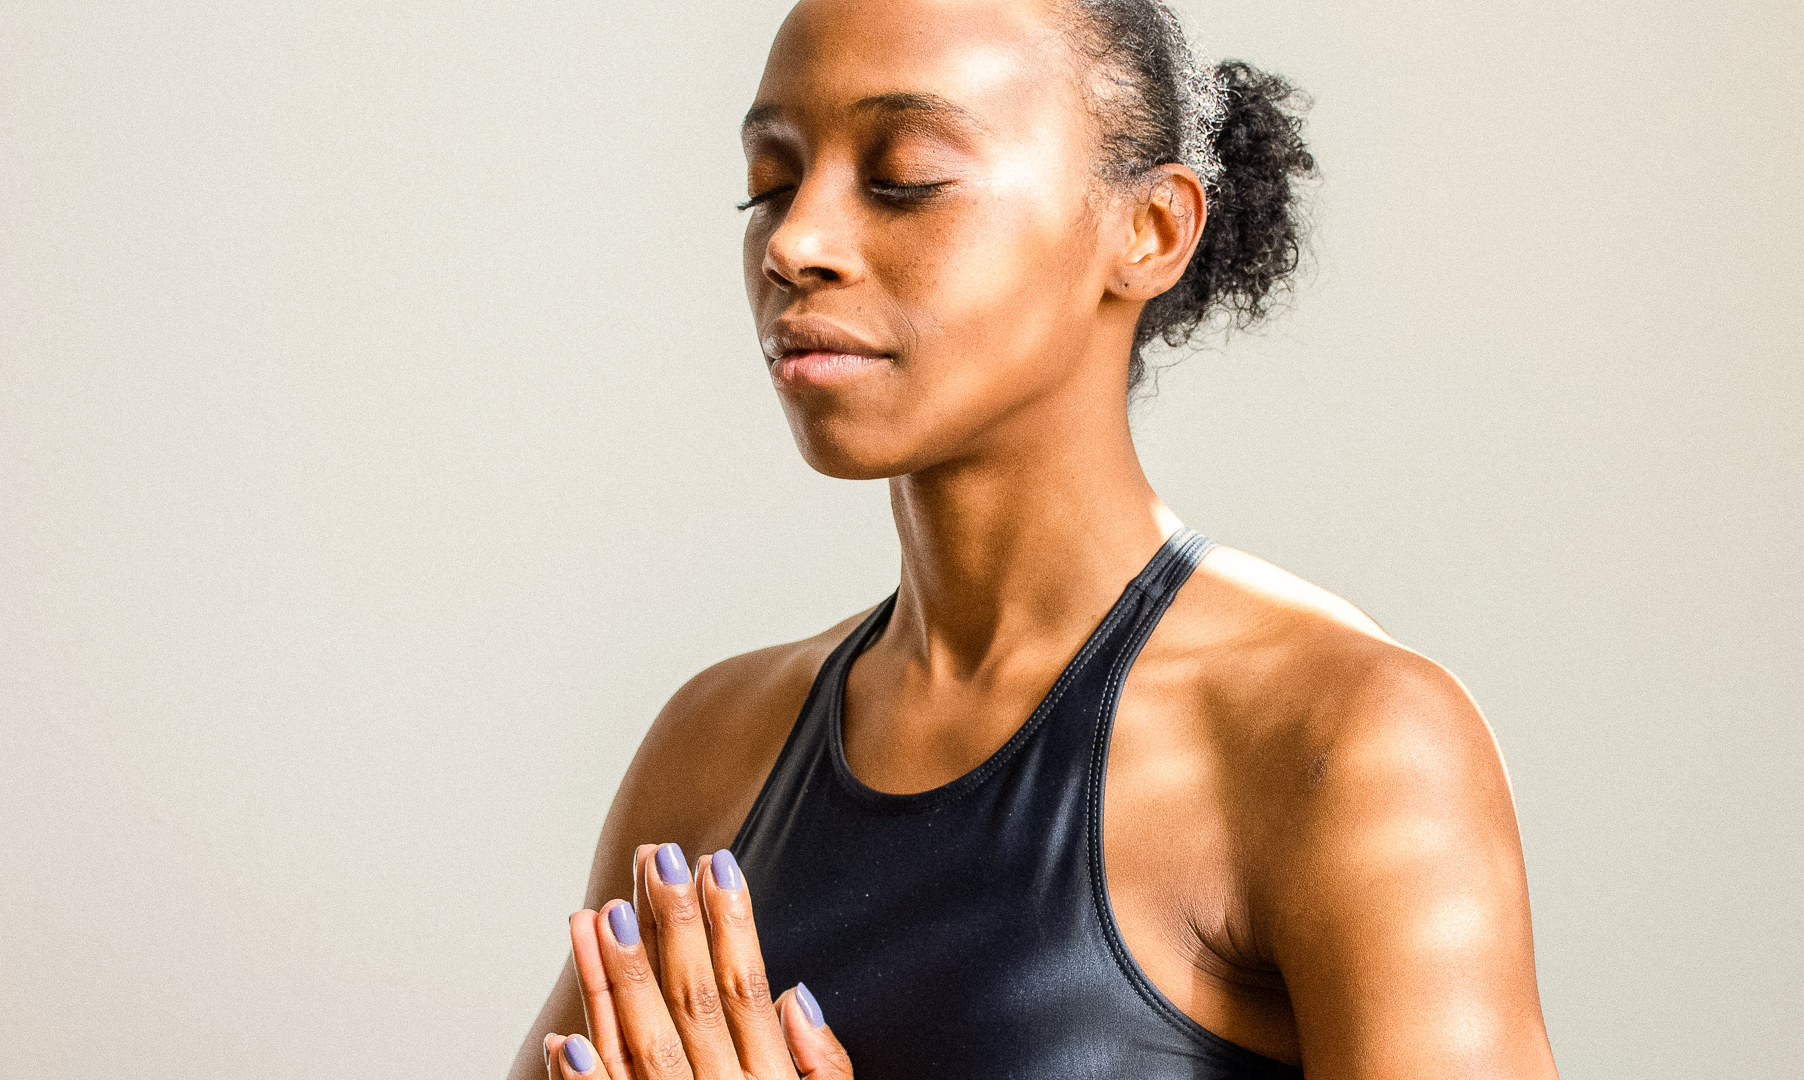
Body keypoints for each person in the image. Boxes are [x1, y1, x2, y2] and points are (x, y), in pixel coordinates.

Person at [511, 0, 1559, 1076]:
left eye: (905, 175)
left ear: (1148, 231)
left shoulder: (1345, 743)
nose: (795, 242)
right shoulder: (712, 750)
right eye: (771, 182)